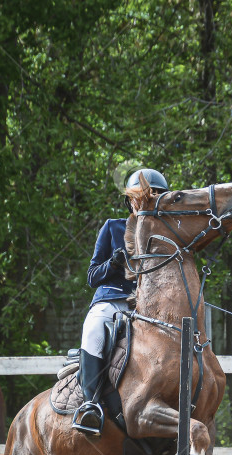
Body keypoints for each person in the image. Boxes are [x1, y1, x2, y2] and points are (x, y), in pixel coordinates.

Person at [74, 168, 170, 437]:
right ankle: (90, 403)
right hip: (113, 301)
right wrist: (113, 263)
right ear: (129, 201)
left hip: (149, 308)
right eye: (138, 198)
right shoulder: (112, 227)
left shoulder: (166, 233)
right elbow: (93, 276)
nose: (144, 203)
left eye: (152, 198)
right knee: (93, 329)